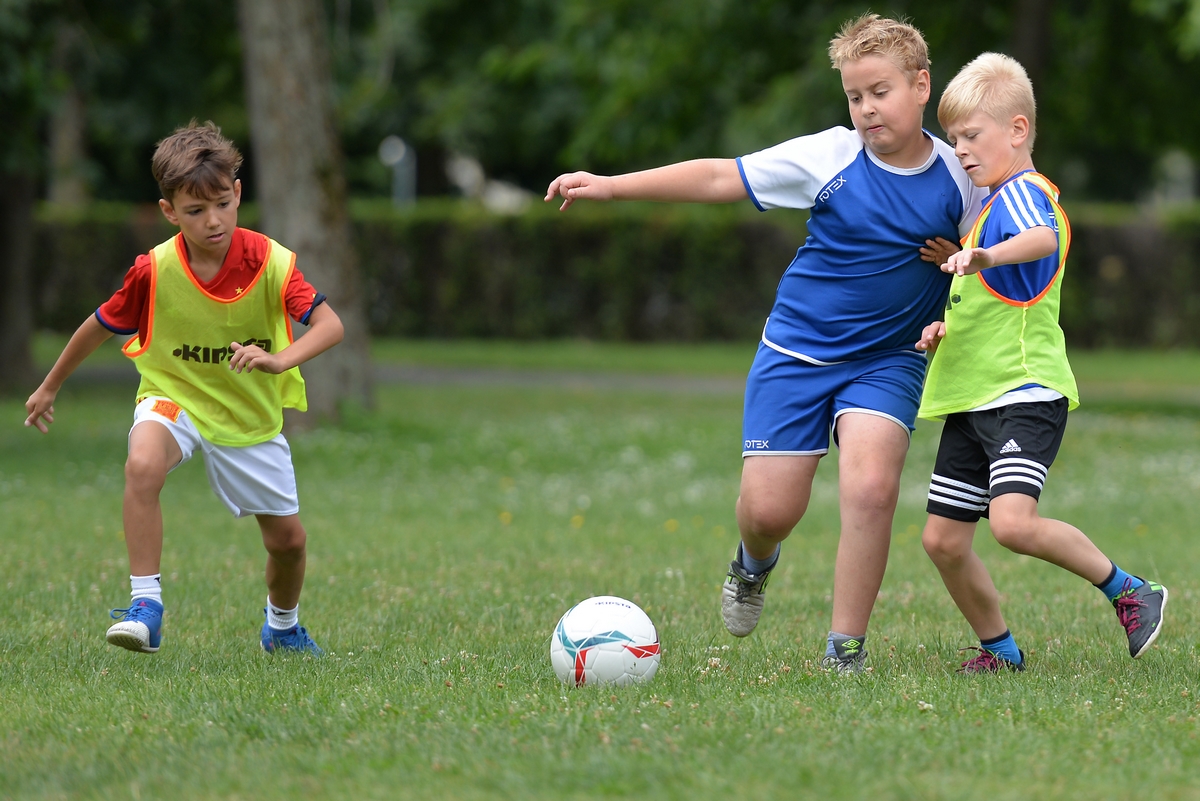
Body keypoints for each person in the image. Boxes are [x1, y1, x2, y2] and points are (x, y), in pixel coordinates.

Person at [546, 14, 988, 671]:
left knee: (870, 488)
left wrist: (965, 258)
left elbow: (998, 250)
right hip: (796, 354)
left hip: (889, 360)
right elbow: (721, 178)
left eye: (880, 91)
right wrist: (612, 185)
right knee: (768, 511)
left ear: (922, 85)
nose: (866, 108)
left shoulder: (962, 175)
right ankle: (754, 563)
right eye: (854, 95)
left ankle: (845, 651)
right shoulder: (831, 157)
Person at [24, 120, 344, 656]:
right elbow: (101, 323)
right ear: (170, 211)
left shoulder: (272, 262)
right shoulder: (155, 269)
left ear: (238, 193)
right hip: (175, 395)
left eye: (221, 203)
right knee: (142, 463)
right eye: (194, 211)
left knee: (288, 543)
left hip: (247, 414)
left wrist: (277, 360)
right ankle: (145, 606)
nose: (212, 220)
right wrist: (50, 385)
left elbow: (331, 325)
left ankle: (283, 627)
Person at [916, 53, 1167, 673]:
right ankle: (1000, 651)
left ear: (1018, 131)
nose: (962, 150)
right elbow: (999, 301)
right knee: (943, 540)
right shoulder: (988, 213)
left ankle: (1131, 590)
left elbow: (1044, 240)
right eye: (954, 140)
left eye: (972, 136)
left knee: (1012, 524)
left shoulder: (1024, 195)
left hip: (1023, 394)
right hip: (975, 399)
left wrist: (984, 258)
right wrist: (946, 325)